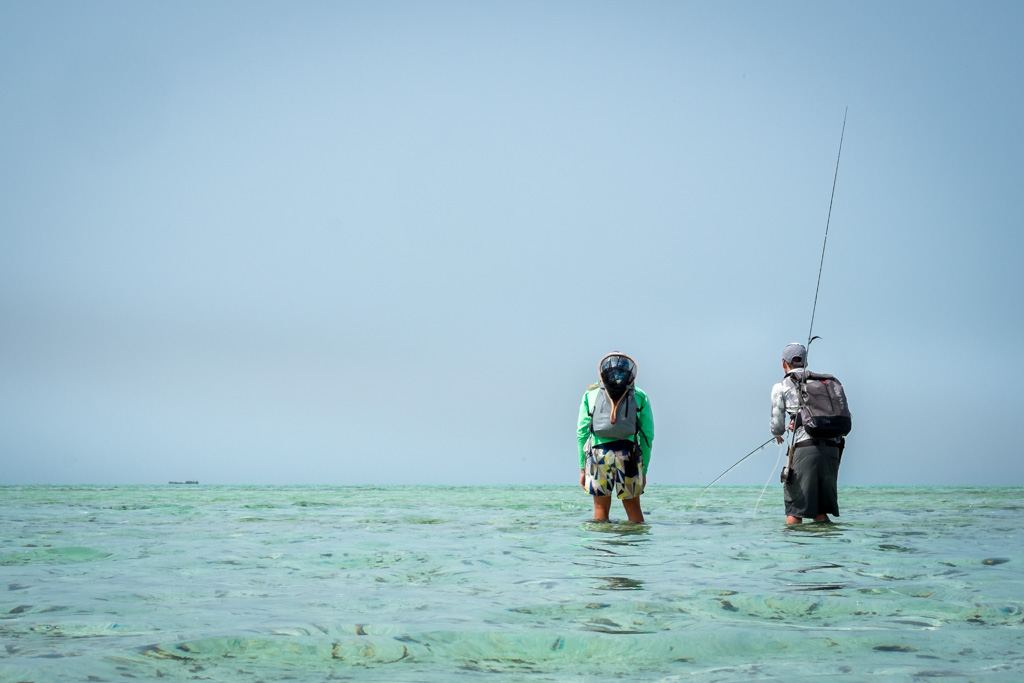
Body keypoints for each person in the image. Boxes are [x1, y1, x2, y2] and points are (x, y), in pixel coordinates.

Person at [576, 352, 654, 522]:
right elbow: (647, 435)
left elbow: (582, 433)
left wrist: (583, 468)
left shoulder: (590, 394)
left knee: (600, 508)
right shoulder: (640, 395)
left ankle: (601, 546)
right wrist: (644, 469)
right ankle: (637, 547)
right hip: (629, 457)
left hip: (598, 456)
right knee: (633, 507)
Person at [770, 342, 843, 524]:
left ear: (783, 363)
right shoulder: (825, 383)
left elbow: (777, 424)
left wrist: (778, 434)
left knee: (795, 510)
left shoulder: (781, 386)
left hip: (805, 449)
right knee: (821, 511)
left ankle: (790, 552)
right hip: (833, 449)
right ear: (806, 363)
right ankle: (826, 550)